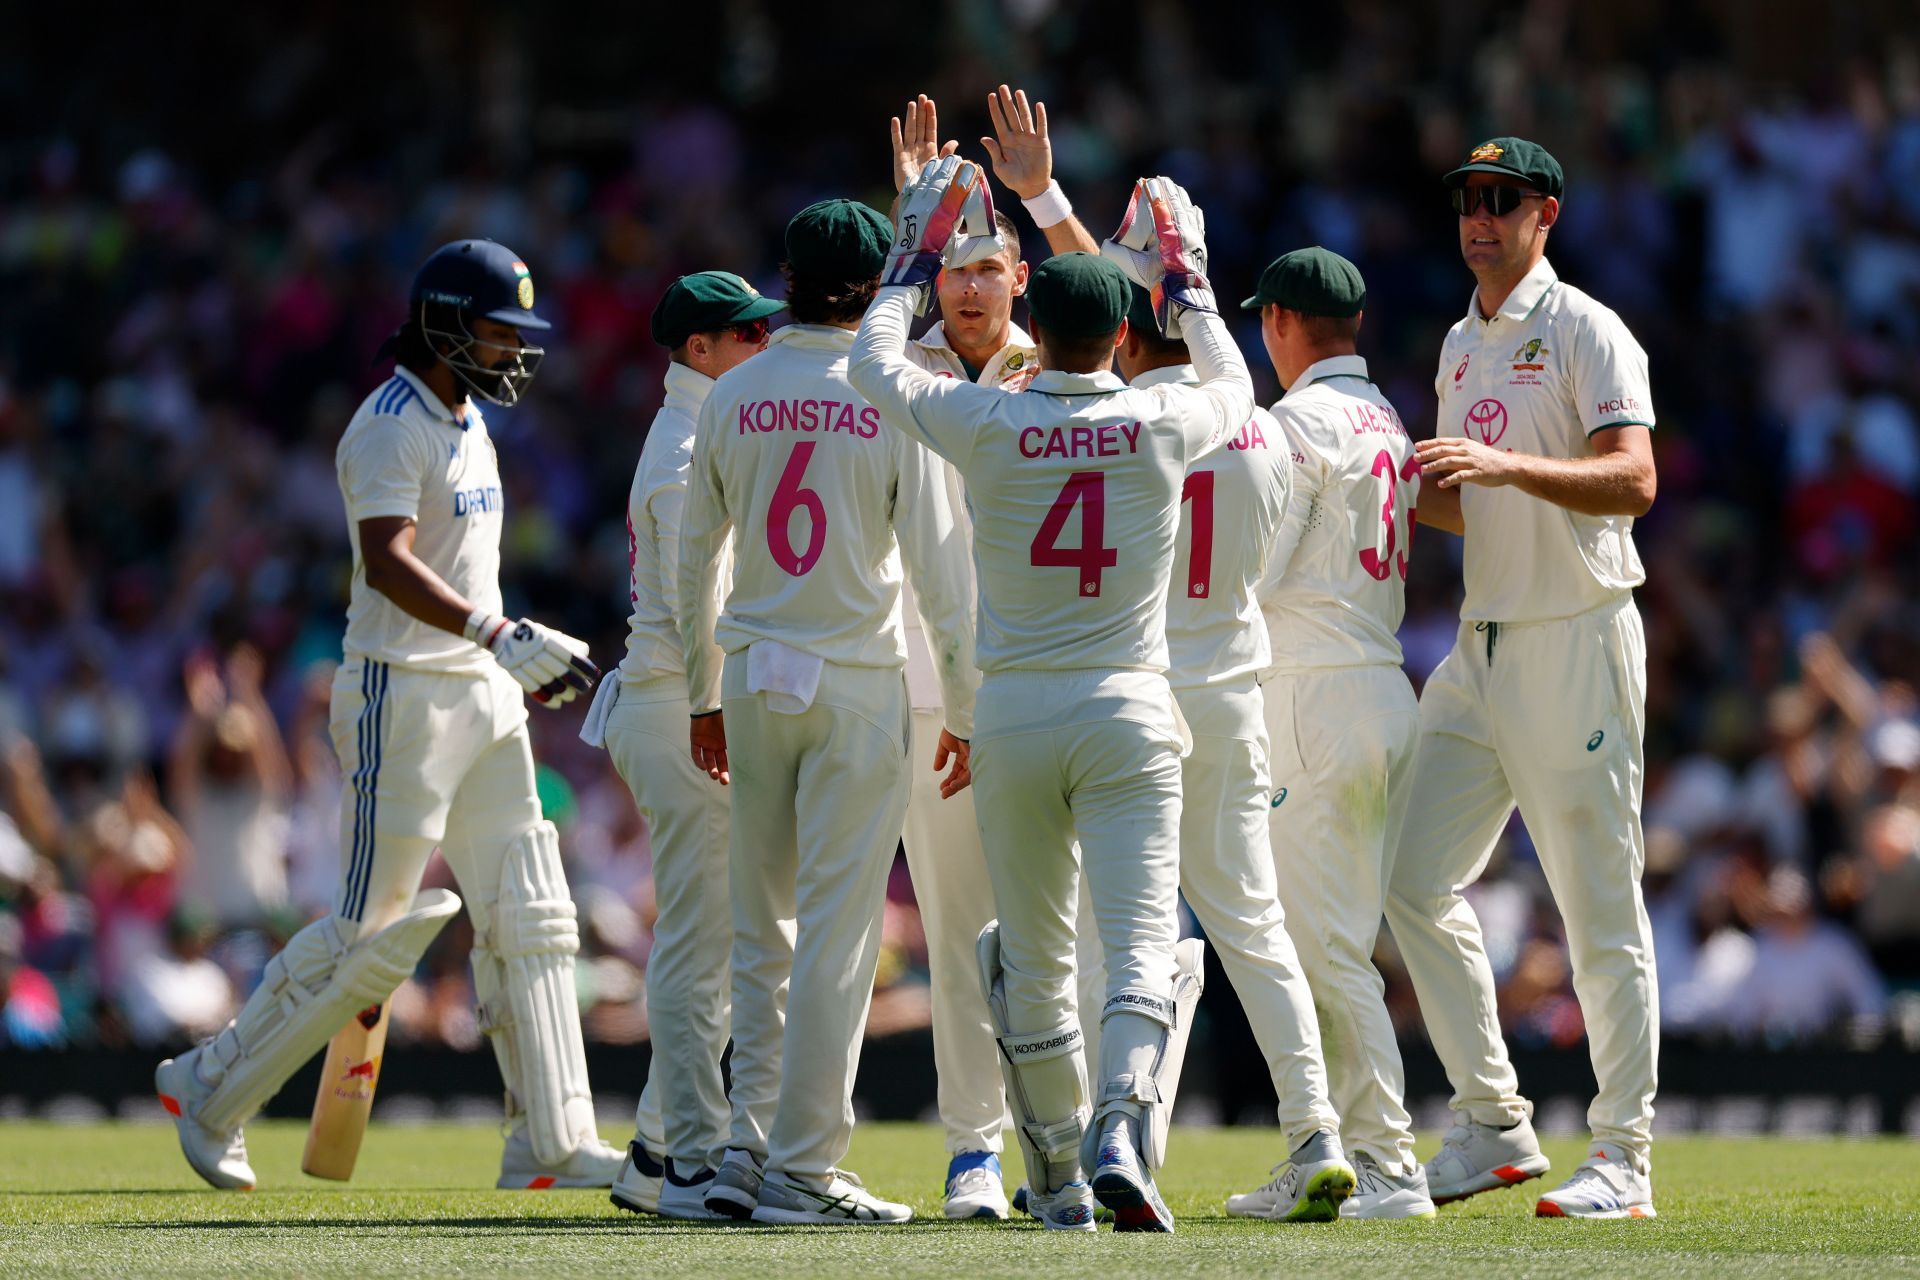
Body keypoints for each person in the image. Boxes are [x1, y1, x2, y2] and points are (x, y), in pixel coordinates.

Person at [157, 239, 623, 1192]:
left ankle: (553, 1137)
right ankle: (206, 1087)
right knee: (368, 933)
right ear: (445, 323)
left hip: (483, 692)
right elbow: (385, 562)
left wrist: (504, 648)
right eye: (497, 333)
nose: (512, 353)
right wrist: (498, 633)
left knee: (528, 905)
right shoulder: (387, 424)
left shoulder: (468, 419)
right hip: (400, 698)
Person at [851, 157, 1251, 1233]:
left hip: (1009, 708)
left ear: (1026, 289)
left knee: (1020, 954)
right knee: (1133, 945)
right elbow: (1237, 386)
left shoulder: (986, 422)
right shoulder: (1163, 419)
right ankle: (1115, 1125)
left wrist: (909, 249)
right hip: (1124, 706)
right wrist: (1193, 284)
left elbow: (872, 367)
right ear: (1125, 340)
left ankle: (1061, 1175)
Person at [676, 199, 977, 1226]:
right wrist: (968, 707)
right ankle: (803, 1165)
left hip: (755, 673)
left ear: (788, 277)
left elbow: (693, 555)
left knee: (761, 927)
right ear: (882, 284)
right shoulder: (900, 395)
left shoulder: (735, 388)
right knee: (838, 938)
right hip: (853, 678)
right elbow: (942, 577)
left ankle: (740, 1151)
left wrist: (700, 691)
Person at [1385, 138, 1662, 1219]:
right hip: (1481, 644)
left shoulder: (1587, 326)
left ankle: (1626, 1157)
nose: (1479, 217)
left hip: (1575, 638)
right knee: (1405, 880)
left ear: (1546, 212)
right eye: (1466, 199)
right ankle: (1497, 1123)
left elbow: (1634, 479)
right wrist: (1399, 490)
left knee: (1597, 903)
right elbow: (1473, 500)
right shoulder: (1461, 339)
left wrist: (1497, 463)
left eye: (1500, 200)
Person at [1232, 248, 1436, 1219]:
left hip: (1313, 696)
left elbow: (1254, 576)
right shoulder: (1383, 415)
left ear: (1278, 321)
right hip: (1378, 682)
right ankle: (1324, 1146)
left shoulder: (1294, 422)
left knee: (1324, 948)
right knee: (1322, 940)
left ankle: (1390, 1162)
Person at [590, 271, 783, 1220]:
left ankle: (656, 1151)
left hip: (680, 704)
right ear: (698, 350)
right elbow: (695, 607)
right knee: (699, 947)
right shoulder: (684, 446)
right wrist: (717, 711)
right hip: (681, 705)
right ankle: (696, 1163)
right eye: (742, 334)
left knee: (713, 942)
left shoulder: (706, 427)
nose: (761, 343)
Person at [881, 96, 1033, 1219]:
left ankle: (1062, 1143)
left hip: (1045, 690)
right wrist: (909, 217)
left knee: (1054, 930)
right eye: (955, 265)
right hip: (930, 697)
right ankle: (974, 1149)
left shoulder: (1071, 357)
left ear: (1019, 273)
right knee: (956, 930)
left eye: (989, 263)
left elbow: (1149, 314)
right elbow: (840, 353)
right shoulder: (895, 369)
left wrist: (1037, 194)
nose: (970, 285)